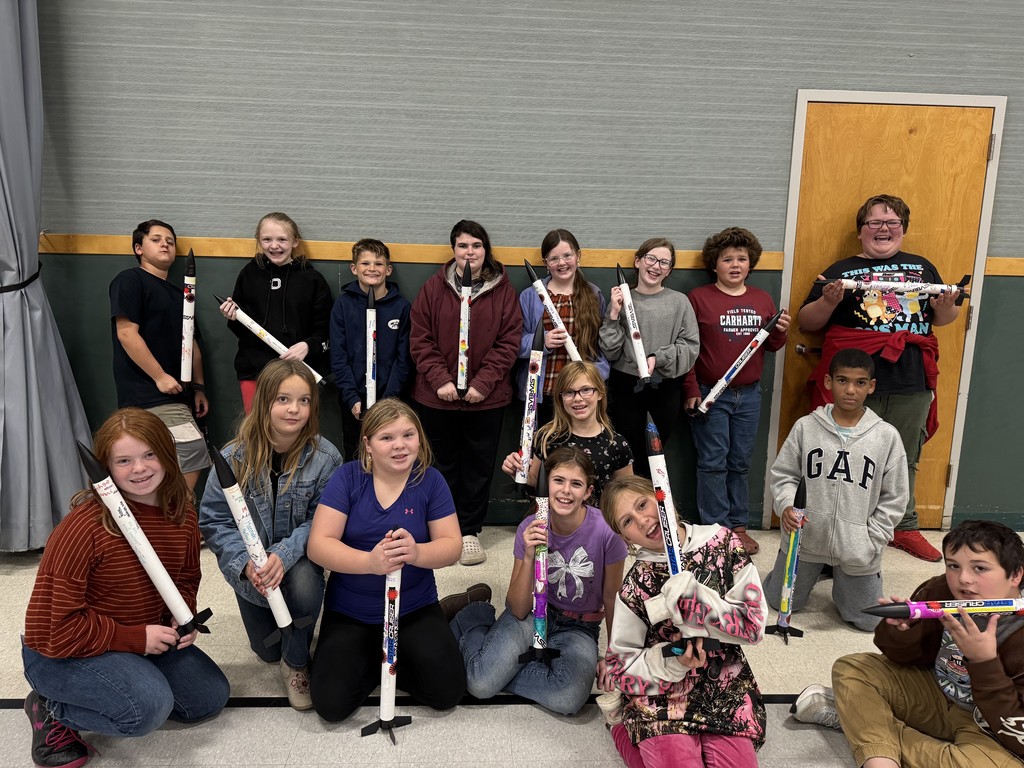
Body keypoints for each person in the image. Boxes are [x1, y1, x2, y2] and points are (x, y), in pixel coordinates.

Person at [22, 408, 229, 768]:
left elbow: (185, 579)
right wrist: (136, 640)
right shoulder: (83, 529)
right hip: (63, 652)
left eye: (149, 454)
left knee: (208, 698)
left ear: (167, 454)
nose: (140, 468)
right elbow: (53, 631)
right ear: (106, 467)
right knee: (145, 710)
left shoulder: (181, 513)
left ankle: (128, 676)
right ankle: (50, 706)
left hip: (134, 635)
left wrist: (182, 619)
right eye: (124, 460)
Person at [797, 194, 962, 562]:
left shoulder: (922, 268)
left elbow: (943, 320)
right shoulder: (839, 270)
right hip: (853, 380)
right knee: (844, 455)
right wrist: (827, 301)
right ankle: (839, 526)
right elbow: (807, 322)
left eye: (892, 223)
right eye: (874, 222)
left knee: (905, 456)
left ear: (903, 229)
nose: (883, 229)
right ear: (861, 231)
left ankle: (903, 526)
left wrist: (946, 306)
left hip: (910, 378)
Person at [794, 520, 1024, 768]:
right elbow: (899, 657)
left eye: (980, 568)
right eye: (954, 566)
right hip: (936, 694)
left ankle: (865, 725)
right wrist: (902, 632)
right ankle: (879, 757)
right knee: (853, 668)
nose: (964, 579)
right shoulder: (941, 590)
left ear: (1015, 574)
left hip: (988, 724)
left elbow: (1018, 736)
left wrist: (984, 662)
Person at [306, 398, 466, 722]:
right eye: (387, 437)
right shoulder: (348, 478)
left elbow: (452, 546)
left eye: (408, 435)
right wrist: (369, 563)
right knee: (331, 706)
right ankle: (370, 658)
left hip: (413, 608)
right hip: (352, 612)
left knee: (447, 692)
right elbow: (318, 546)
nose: (400, 446)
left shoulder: (430, 480)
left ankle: (402, 650)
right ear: (367, 444)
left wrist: (418, 553)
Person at [199, 360, 341, 710]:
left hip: (298, 563)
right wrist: (247, 564)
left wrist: (285, 554)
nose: (294, 409)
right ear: (264, 401)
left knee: (305, 589)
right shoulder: (232, 458)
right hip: (252, 575)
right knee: (266, 650)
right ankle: (285, 647)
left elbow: (322, 521)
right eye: (283, 399)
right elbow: (215, 521)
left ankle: (296, 663)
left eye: (304, 400)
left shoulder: (326, 458)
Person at [599, 475, 766, 767]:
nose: (642, 520)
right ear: (626, 539)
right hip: (662, 695)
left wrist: (701, 603)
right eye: (627, 521)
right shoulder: (637, 582)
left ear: (663, 496)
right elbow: (621, 665)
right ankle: (620, 726)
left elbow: (753, 627)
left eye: (642, 504)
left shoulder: (723, 543)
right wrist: (672, 661)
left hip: (723, 687)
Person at [447, 447, 627, 715]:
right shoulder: (529, 526)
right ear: (545, 484)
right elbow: (517, 608)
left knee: (569, 697)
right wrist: (529, 556)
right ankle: (471, 615)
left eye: (576, 484)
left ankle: (501, 664)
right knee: (481, 685)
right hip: (532, 615)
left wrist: (614, 655)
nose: (566, 491)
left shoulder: (607, 532)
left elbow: (613, 598)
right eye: (558, 481)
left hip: (579, 628)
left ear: (588, 492)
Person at [764, 348, 908, 632]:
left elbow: (895, 497)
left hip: (857, 545)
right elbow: (784, 475)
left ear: (871, 386)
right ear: (828, 382)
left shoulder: (886, 436)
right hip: (806, 539)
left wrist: (872, 539)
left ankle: (841, 576)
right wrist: (786, 507)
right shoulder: (806, 427)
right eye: (842, 381)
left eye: (860, 382)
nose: (850, 390)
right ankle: (813, 571)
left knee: (868, 622)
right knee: (776, 601)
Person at [410, 220, 522, 565]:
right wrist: (441, 380)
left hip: (485, 399)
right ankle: (443, 532)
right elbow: (420, 338)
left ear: (485, 249)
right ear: (453, 250)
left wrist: (481, 384)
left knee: (477, 466)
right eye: (462, 246)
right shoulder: (433, 288)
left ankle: (469, 531)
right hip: (436, 396)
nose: (469, 252)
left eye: (476, 245)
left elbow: (508, 343)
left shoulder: (503, 290)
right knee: (438, 465)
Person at [683, 227, 790, 555]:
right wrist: (691, 388)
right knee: (713, 460)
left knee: (740, 461)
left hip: (749, 395)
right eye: (727, 259)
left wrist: (781, 333)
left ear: (750, 263)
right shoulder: (698, 298)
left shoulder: (762, 299)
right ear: (714, 264)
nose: (734, 264)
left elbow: (770, 345)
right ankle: (716, 529)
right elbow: (687, 348)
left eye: (741, 259)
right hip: (710, 394)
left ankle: (739, 526)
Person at [110, 219, 211, 489]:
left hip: (180, 394)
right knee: (192, 453)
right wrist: (159, 376)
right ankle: (180, 518)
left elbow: (192, 344)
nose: (165, 243)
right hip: (148, 394)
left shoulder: (181, 295)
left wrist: (198, 387)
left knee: (176, 460)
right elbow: (127, 333)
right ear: (138, 248)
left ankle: (171, 521)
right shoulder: (130, 280)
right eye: (156, 239)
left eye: (169, 240)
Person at [599, 237, 699, 478]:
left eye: (664, 262)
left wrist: (659, 358)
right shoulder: (621, 301)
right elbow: (610, 350)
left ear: (670, 270)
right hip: (625, 388)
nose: (656, 266)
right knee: (625, 455)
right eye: (651, 259)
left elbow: (690, 347)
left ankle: (651, 511)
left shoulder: (679, 302)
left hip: (664, 389)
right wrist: (613, 314)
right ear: (638, 261)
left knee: (653, 456)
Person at [218, 211, 333, 414]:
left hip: (298, 372)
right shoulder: (248, 274)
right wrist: (233, 316)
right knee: (258, 430)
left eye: (282, 239)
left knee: (293, 431)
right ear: (258, 240)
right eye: (267, 239)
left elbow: (325, 330)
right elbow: (241, 328)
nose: (274, 245)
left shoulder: (312, 279)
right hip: (254, 371)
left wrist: (308, 346)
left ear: (295, 241)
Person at [501, 361, 633, 506]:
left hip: (599, 524)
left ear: (600, 393)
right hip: (554, 522)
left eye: (586, 390)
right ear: (560, 398)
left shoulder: (617, 444)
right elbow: (535, 484)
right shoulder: (547, 437)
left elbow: (625, 494)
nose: (577, 398)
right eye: (569, 392)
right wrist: (518, 471)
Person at [515, 229, 609, 427]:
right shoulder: (530, 296)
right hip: (543, 393)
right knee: (542, 453)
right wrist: (541, 341)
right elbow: (513, 343)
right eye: (554, 258)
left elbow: (601, 347)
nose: (562, 263)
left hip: (581, 396)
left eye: (567, 255)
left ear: (578, 256)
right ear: (546, 264)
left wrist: (595, 378)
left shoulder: (593, 294)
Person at [329, 238, 411, 461]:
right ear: (354, 268)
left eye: (378, 263)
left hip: (390, 400)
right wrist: (352, 397)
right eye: (365, 263)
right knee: (356, 457)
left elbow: (403, 359)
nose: (372, 269)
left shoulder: (401, 307)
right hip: (354, 401)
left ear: (389, 269)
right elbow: (338, 356)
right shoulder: (343, 305)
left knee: (389, 456)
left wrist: (388, 401)